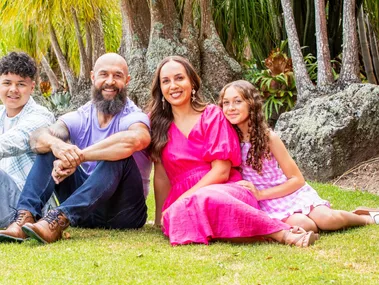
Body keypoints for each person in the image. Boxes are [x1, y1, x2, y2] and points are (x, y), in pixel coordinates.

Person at [149, 55, 317, 247]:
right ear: (160, 89)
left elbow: (221, 171)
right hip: (184, 199)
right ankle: (272, 230)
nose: (173, 86)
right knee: (187, 212)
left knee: (207, 198)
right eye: (166, 81)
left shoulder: (212, 115)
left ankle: (285, 235)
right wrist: (159, 217)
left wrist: (186, 198)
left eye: (179, 78)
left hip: (226, 188)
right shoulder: (157, 124)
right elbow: (161, 175)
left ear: (192, 82)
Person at [0, 53, 151, 244]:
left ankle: (58, 218)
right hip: (85, 213)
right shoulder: (82, 115)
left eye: (117, 76)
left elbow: (137, 139)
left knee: (120, 156)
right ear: (93, 77)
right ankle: (25, 217)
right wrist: (59, 146)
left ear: (127, 80)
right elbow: (37, 138)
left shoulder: (133, 115)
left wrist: (79, 156)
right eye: (104, 74)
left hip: (123, 213)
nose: (110, 81)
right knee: (50, 147)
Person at [219, 80, 379, 233]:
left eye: (237, 101)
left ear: (251, 104)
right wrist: (258, 196)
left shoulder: (268, 138)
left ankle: (365, 217)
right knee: (306, 226)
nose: (231, 108)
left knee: (328, 219)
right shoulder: (226, 139)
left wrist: (261, 194)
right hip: (263, 203)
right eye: (226, 102)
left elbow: (297, 179)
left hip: (285, 192)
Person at [0, 52, 55, 228]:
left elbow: (16, 140)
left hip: (26, 205)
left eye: (21, 84)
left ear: (32, 87)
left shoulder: (41, 116)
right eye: (7, 83)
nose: (13, 90)